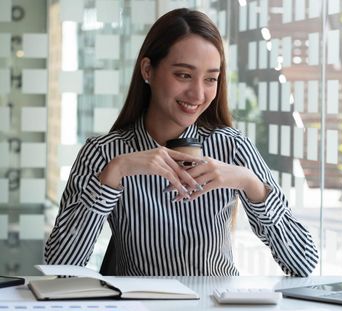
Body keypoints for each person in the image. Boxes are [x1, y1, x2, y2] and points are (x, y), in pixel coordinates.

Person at [44, 8, 318, 277]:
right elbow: (61, 267)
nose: (198, 93)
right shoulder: (104, 154)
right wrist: (113, 174)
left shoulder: (232, 148)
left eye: (210, 79)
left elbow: (303, 262)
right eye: (183, 75)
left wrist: (252, 185)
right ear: (148, 70)